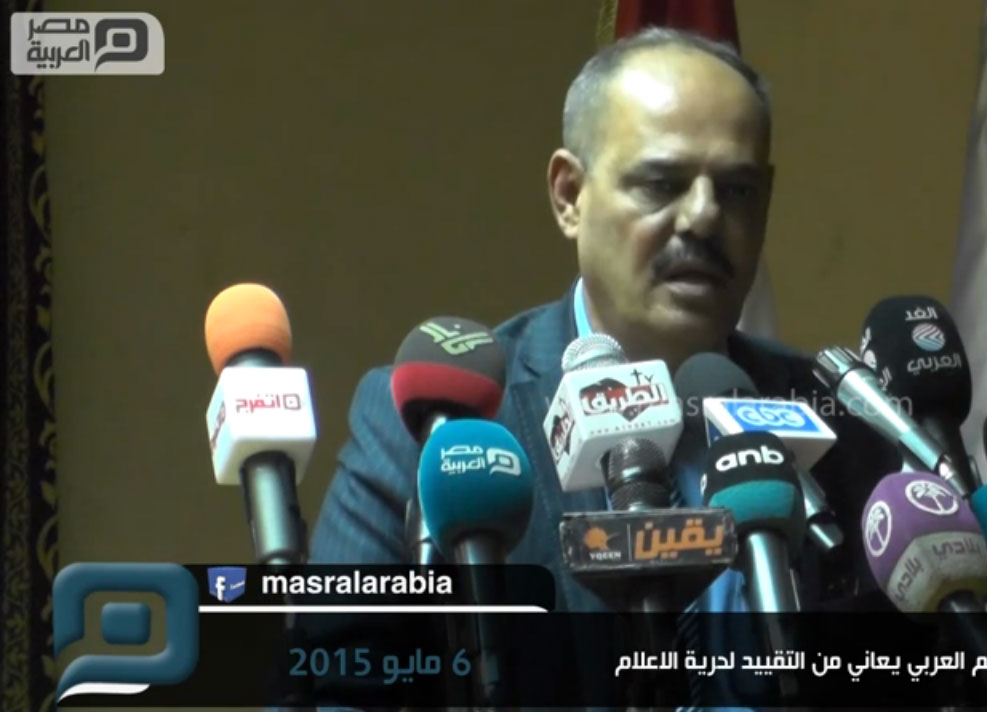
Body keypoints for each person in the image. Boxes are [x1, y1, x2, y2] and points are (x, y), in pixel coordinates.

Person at [308, 27, 896, 707]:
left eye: (736, 191)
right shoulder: (435, 426)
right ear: (569, 196)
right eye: (661, 184)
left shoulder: (844, 424)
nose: (703, 218)